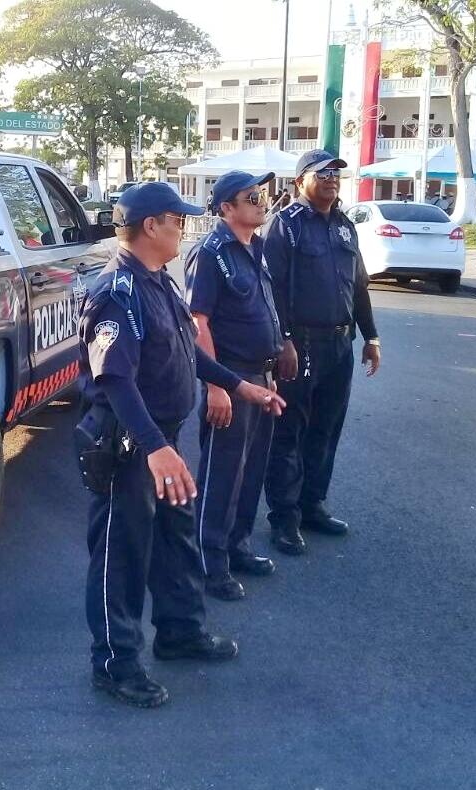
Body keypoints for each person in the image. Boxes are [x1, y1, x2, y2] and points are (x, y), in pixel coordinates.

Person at [76, 182, 286, 708]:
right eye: (176, 219)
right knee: (120, 556)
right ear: (151, 226)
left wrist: (239, 385)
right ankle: (115, 663)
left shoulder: (160, 284)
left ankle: (179, 632)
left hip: (160, 441)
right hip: (131, 445)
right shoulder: (116, 292)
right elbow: (114, 380)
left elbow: (189, 353)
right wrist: (154, 447)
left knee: (176, 543)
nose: (184, 228)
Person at [263, 150, 381, 556]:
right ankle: (284, 518)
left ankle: (312, 504)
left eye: (337, 173)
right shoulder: (286, 226)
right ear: (300, 182)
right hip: (301, 345)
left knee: (327, 429)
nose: (332, 179)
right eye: (323, 173)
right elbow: (272, 289)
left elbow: (359, 285)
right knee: (290, 432)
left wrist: (371, 337)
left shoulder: (345, 227)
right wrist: (285, 340)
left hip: (339, 343)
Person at [184, 170, 284, 601]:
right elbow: (198, 323)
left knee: (251, 471)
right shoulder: (211, 253)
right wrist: (216, 386)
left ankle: (238, 546)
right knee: (222, 475)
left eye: (261, 195)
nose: (261, 202)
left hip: (261, 376)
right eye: (251, 197)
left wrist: (274, 361)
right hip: (232, 378)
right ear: (226, 208)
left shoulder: (256, 248)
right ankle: (211, 562)